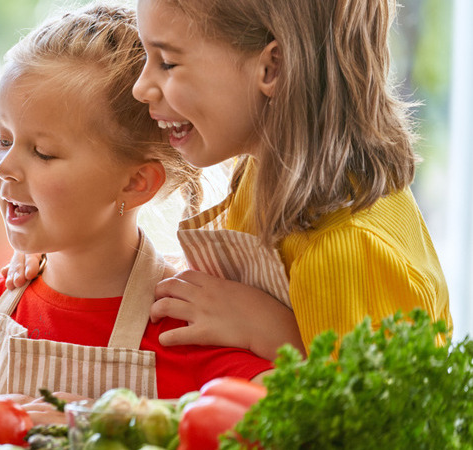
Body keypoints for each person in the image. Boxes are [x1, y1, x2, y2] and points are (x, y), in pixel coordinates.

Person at [0, 4, 272, 430]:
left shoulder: (190, 323)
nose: (5, 167)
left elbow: (295, 421)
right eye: (3, 138)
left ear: (137, 182)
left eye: (43, 152)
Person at [130, 0, 450, 360]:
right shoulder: (266, 168)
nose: (140, 88)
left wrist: (269, 329)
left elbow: (380, 409)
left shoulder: (348, 249)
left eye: (168, 63)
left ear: (273, 68)